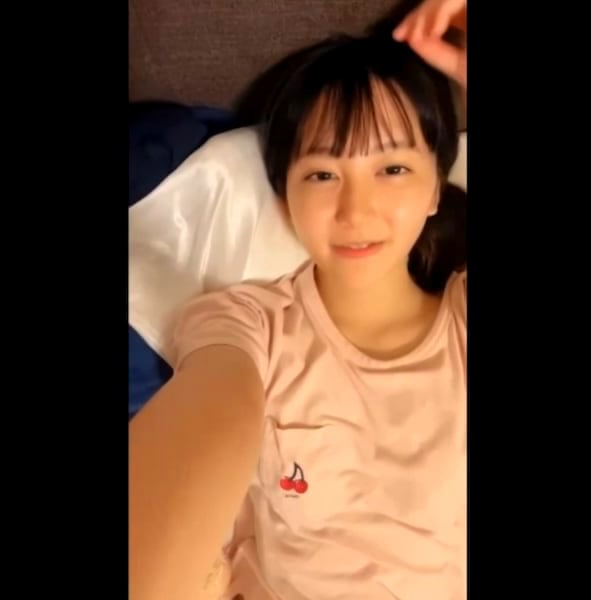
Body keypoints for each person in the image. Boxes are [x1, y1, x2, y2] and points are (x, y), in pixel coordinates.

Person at [129, 0, 467, 598]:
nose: (355, 210)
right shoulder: (248, 326)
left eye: (392, 169)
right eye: (322, 174)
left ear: (436, 188)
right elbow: (199, 427)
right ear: (285, 195)